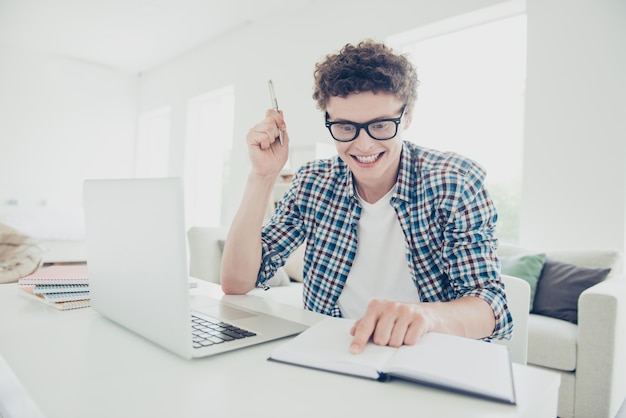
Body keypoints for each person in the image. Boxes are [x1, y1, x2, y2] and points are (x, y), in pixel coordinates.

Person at [221, 39, 512, 354]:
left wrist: (425, 316)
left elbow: (490, 308)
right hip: (335, 354)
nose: (363, 145)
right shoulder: (314, 183)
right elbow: (237, 283)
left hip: (427, 356)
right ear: (329, 120)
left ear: (408, 117)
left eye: (381, 125)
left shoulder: (453, 182)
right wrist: (262, 176)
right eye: (346, 128)